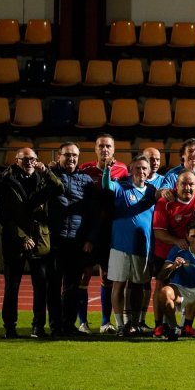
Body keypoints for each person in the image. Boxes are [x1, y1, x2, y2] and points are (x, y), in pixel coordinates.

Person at [0, 147, 62, 339]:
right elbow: (3, 214)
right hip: (15, 241)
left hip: (40, 240)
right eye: (25, 159)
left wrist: (47, 172)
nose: (29, 162)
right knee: (12, 286)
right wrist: (22, 237)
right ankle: (10, 327)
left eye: (32, 158)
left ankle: (37, 327)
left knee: (40, 286)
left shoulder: (43, 179)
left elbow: (59, 188)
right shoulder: (4, 181)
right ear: (16, 161)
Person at [151, 171, 195, 336]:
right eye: (183, 183)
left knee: (193, 284)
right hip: (167, 249)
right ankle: (159, 325)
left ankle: (189, 325)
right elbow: (159, 233)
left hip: (191, 248)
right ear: (176, 185)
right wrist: (177, 242)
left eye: (191, 184)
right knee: (161, 286)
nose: (187, 187)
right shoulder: (165, 201)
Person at [78, 133, 129, 333]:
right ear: (95, 149)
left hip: (111, 231)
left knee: (108, 278)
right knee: (85, 276)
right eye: (101, 146)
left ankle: (105, 322)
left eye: (108, 146)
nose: (105, 149)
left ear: (114, 149)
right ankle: (82, 323)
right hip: (90, 231)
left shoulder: (122, 170)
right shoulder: (85, 169)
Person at [102, 155, 157, 336]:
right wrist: (107, 170)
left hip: (142, 247)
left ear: (149, 172)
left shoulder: (152, 192)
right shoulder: (122, 187)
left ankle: (133, 324)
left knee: (138, 287)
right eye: (137, 168)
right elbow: (106, 185)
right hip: (119, 246)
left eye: (144, 169)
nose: (141, 171)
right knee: (118, 284)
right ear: (131, 170)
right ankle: (119, 325)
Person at [46, 142, 96, 337]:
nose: (71, 159)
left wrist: (90, 238)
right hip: (54, 240)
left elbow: (93, 213)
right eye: (67, 155)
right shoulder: (50, 177)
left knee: (72, 287)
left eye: (75, 155)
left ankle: (68, 325)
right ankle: (55, 326)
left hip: (76, 241)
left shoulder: (86, 180)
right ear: (59, 156)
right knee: (53, 285)